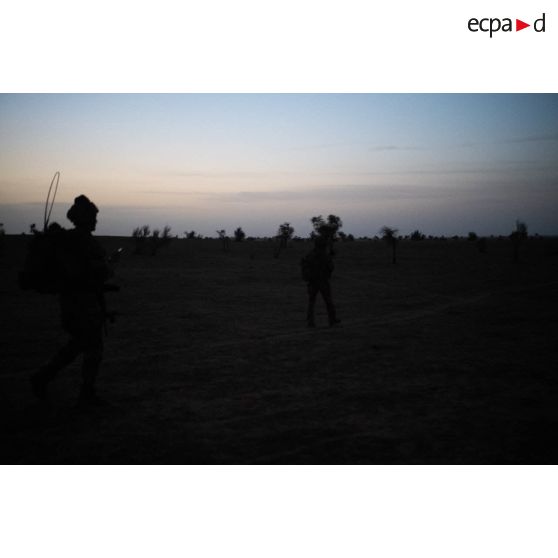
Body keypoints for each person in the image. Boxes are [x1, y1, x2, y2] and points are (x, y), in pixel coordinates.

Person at [31, 195, 114, 404]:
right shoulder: (83, 242)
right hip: (83, 303)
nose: (96, 221)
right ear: (85, 219)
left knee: (77, 345)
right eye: (93, 217)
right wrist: (108, 267)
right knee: (92, 348)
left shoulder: (67, 240)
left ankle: (43, 377)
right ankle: (86, 392)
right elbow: (96, 272)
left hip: (71, 302)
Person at [302, 236, 341, 328]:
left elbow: (305, 265)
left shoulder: (310, 254)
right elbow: (331, 267)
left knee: (311, 302)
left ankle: (310, 322)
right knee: (328, 301)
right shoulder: (324, 255)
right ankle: (332, 320)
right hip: (323, 281)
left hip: (312, 282)